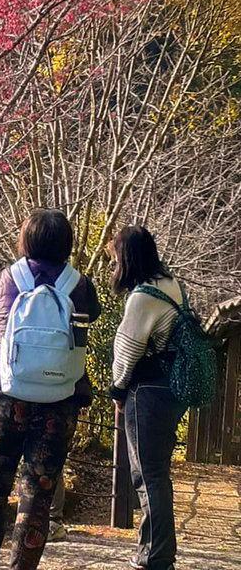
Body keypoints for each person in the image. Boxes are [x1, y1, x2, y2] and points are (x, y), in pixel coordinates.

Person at [0, 209, 100, 570]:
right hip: (59, 402)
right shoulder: (80, 284)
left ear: (26, 240)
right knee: (38, 494)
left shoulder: (8, 278)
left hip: (5, 396)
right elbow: (94, 316)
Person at [110, 226, 187, 570]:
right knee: (158, 473)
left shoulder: (143, 296)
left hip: (147, 391)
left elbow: (127, 350)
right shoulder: (171, 285)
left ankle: (155, 557)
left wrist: (117, 390)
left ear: (127, 258)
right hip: (170, 388)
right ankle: (155, 552)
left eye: (115, 258)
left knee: (147, 475)